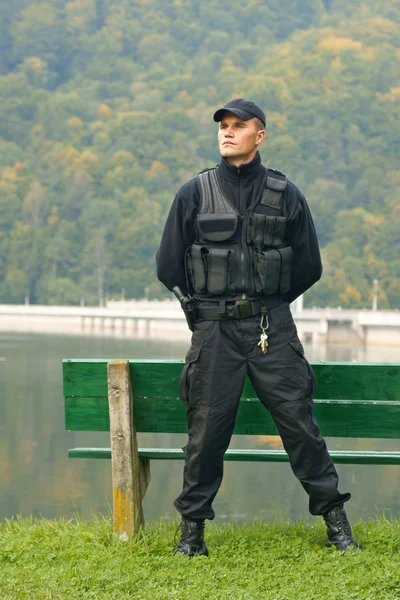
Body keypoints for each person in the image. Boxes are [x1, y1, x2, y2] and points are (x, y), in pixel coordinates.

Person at [156, 98, 360, 556]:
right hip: (214, 333)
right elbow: (169, 264)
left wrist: (267, 305)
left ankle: (337, 526)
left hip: (273, 329)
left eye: (237, 126)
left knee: (299, 426)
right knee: (205, 433)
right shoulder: (194, 193)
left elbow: (309, 265)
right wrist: (206, 313)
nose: (227, 132)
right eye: (222, 127)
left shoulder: (287, 194)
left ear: (259, 134)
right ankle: (192, 536)